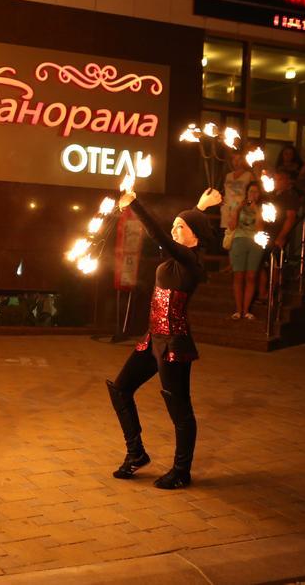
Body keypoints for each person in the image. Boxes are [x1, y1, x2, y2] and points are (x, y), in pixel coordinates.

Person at [106, 186, 222, 490]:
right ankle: (136, 454)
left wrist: (135, 205)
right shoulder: (178, 259)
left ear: (194, 237)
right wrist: (200, 205)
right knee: (120, 389)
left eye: (179, 227)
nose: (172, 229)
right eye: (172, 224)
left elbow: (160, 236)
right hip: (152, 339)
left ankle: (182, 471)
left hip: (174, 344)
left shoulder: (190, 263)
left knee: (180, 409)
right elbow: (178, 231)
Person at [257, 170, 300, 301]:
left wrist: (282, 236)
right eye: (275, 179)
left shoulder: (290, 196)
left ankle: (272, 293)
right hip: (267, 234)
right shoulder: (273, 195)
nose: (276, 182)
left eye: (279, 179)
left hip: (277, 235)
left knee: (275, 263)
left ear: (287, 181)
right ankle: (263, 293)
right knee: (262, 263)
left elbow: (291, 217)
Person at [227, 181, 264, 320]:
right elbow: (231, 226)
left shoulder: (262, 208)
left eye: (256, 192)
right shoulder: (238, 206)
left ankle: (246, 310)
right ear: (246, 193)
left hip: (255, 243)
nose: (253, 194)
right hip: (239, 240)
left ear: (259, 194)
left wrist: (256, 210)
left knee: (251, 276)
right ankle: (238, 310)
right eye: (251, 191)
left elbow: (260, 228)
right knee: (238, 276)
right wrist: (237, 210)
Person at [221, 153, 252, 250]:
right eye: (234, 159)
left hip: (240, 209)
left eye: (239, 159)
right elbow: (226, 192)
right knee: (227, 239)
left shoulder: (249, 175)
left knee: (237, 237)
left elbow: (253, 192)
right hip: (227, 209)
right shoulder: (228, 176)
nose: (236, 162)